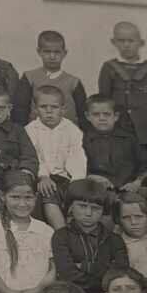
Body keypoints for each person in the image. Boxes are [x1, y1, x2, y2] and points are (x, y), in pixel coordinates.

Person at [0, 171, 56, 293]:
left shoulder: (46, 231)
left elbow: (53, 269)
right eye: (15, 197)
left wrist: (37, 291)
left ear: (36, 198)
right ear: (3, 196)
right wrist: (6, 292)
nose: (22, 203)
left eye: (28, 198)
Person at [97, 22, 147, 156]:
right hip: (121, 131)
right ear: (114, 42)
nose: (126, 45)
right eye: (121, 41)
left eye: (131, 40)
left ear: (141, 43)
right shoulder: (109, 68)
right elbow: (104, 102)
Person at [51, 180, 130, 293]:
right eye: (82, 206)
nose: (88, 213)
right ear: (71, 207)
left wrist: (83, 266)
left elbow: (119, 273)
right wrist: (102, 268)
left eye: (96, 208)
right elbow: (66, 273)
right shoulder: (61, 236)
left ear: (103, 210)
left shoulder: (114, 240)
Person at [24, 85, 87, 229]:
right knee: (48, 193)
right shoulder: (30, 130)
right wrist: (43, 176)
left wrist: (76, 182)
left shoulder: (72, 129)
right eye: (43, 107)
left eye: (54, 107)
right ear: (35, 109)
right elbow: (34, 156)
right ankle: (62, 232)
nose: (49, 111)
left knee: (78, 196)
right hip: (42, 178)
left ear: (63, 109)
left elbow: (77, 156)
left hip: (66, 178)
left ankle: (76, 231)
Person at [13, 31, 87, 126]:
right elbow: (20, 110)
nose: (52, 56)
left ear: (64, 53)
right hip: (36, 133)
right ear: (39, 52)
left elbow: (82, 113)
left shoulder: (73, 82)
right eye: (47, 52)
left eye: (57, 52)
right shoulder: (29, 77)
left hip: (66, 134)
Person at [83, 94, 147, 193]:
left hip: (127, 190)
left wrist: (137, 183)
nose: (102, 118)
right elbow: (76, 167)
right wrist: (90, 177)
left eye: (107, 114)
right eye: (96, 114)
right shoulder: (83, 140)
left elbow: (146, 165)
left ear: (116, 116)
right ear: (88, 116)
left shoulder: (129, 139)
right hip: (95, 191)